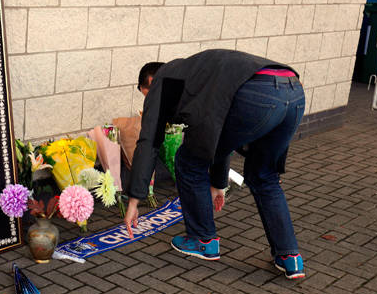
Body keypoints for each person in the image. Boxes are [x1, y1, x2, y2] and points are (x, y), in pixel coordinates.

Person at [124, 49, 306, 279]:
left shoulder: (165, 79)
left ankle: (203, 240)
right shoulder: (200, 76)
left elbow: (149, 140)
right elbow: (218, 137)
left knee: (188, 162)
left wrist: (134, 199)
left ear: (152, 81)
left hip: (258, 94)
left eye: (148, 96)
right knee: (264, 176)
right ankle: (289, 256)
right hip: (293, 91)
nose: (151, 104)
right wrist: (219, 184)